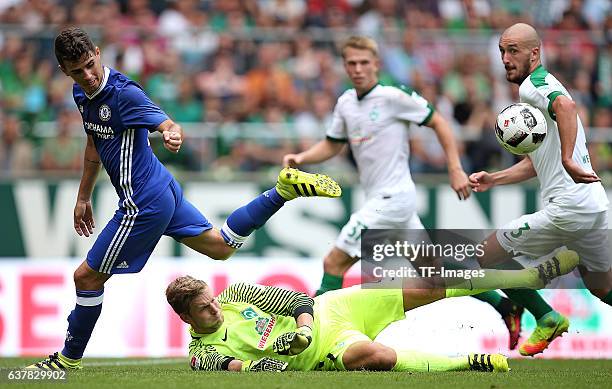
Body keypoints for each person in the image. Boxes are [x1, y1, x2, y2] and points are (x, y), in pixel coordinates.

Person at [26, 27, 341, 370]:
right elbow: (94, 143)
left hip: (143, 203)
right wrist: (83, 196)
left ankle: (66, 361)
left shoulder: (124, 94)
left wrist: (171, 134)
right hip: (162, 187)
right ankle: (282, 191)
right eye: (77, 71)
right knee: (220, 247)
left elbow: (166, 123)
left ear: (98, 53)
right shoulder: (81, 93)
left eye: (90, 65)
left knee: (86, 278)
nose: (87, 76)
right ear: (64, 71)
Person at [282, 36, 524, 349]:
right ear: (345, 66)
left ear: (376, 65)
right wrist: (301, 159)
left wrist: (454, 168)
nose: (358, 69)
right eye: (352, 63)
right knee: (432, 276)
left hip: (391, 200)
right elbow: (332, 142)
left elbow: (439, 122)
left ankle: (314, 338)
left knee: (333, 263)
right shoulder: (345, 103)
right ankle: (505, 305)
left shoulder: (393, 97)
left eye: (364, 63)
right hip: (391, 204)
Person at [166, 251, 578, 373]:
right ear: (187, 318)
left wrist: (304, 330)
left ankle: (526, 278)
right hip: (324, 353)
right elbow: (243, 372)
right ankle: (470, 363)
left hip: (333, 310)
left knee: (426, 286)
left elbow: (298, 303)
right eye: (205, 309)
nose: (215, 309)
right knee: (376, 357)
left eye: (212, 299)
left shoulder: (236, 293)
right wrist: (281, 358)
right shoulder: (202, 356)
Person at [470, 23, 611, 356]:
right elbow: (537, 163)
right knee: (602, 287)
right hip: (591, 203)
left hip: (568, 207)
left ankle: (545, 316)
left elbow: (567, 107)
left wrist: (568, 159)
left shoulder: (535, 87)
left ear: (535, 53)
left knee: (484, 256)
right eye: (502, 50)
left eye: (514, 50)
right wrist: (495, 178)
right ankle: (551, 298)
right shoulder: (541, 88)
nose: (506, 58)